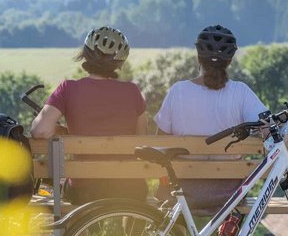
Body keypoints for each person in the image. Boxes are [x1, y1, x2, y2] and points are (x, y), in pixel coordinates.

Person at [154, 25, 268, 215]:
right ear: (229, 61)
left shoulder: (178, 91)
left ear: (198, 57)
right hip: (229, 195)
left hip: (183, 191)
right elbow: (268, 128)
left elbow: (161, 142)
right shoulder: (240, 92)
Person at [30, 26, 148, 204]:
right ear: (119, 63)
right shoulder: (132, 91)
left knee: (57, 187)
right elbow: (142, 138)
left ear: (85, 54)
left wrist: (61, 130)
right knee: (135, 192)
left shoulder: (68, 89)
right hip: (129, 188)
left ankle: (78, 233)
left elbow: (40, 131)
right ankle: (130, 233)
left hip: (83, 189)